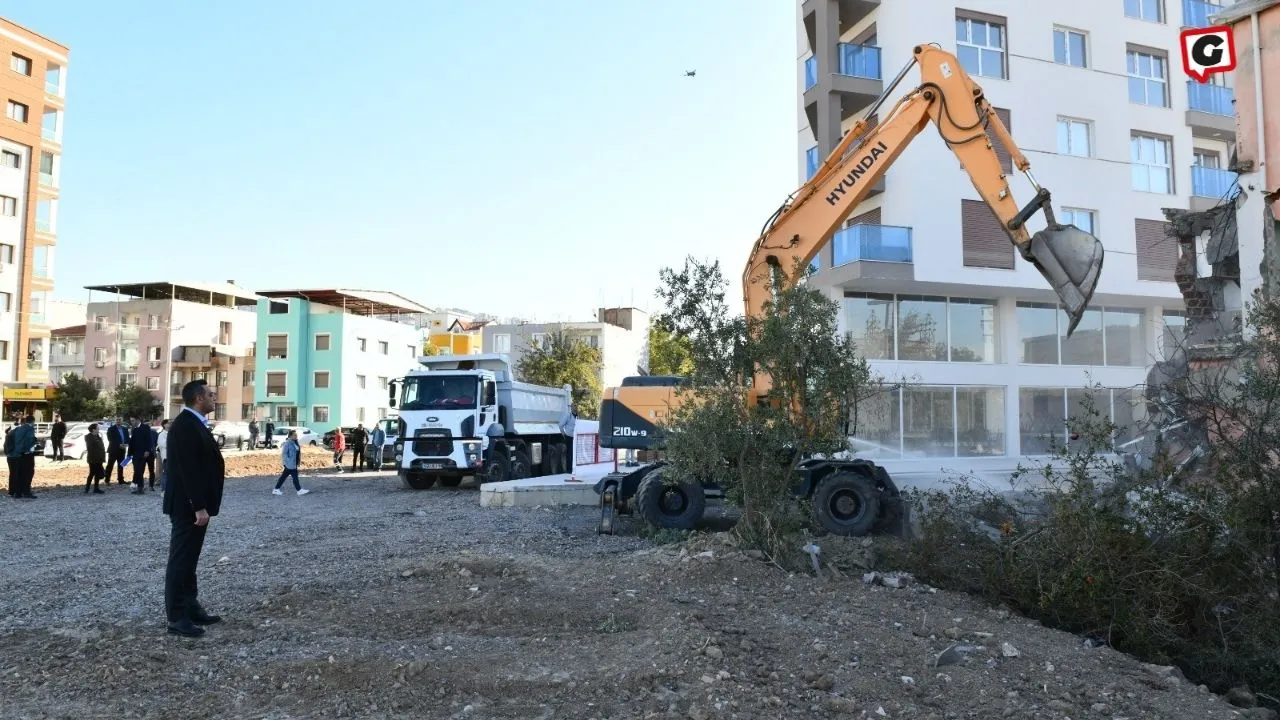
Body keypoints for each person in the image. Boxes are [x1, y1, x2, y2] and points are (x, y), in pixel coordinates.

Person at [162, 379, 226, 638]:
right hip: (188, 507)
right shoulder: (186, 426)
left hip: (195, 507)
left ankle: (191, 606)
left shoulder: (194, 424)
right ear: (199, 398)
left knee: (189, 560)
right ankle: (177, 617)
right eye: (211, 395)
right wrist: (198, 506)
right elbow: (188, 471)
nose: (214, 399)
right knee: (180, 561)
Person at [5, 415, 37, 498]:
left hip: (17, 454)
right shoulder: (29, 429)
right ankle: (26, 492)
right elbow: (29, 441)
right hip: (26, 453)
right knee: (29, 473)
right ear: (33, 421)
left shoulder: (18, 429)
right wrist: (33, 443)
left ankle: (17, 492)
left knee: (19, 474)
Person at [273, 430, 309, 496]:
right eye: (294, 435)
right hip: (290, 464)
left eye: (296, 435)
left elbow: (297, 452)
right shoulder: (287, 443)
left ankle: (276, 489)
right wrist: (287, 462)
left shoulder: (295, 442)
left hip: (293, 463)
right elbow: (284, 454)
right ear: (290, 436)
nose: (296, 436)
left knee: (283, 477)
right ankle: (299, 490)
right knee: (295, 477)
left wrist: (298, 462)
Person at [127, 415, 154, 494]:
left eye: (133, 420)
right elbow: (132, 442)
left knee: (139, 470)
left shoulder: (145, 427)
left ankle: (140, 488)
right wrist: (129, 454)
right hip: (135, 454)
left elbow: (149, 439)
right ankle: (138, 487)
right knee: (137, 470)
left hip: (143, 453)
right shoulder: (134, 429)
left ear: (138, 420)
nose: (132, 422)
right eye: (131, 421)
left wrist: (147, 450)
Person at [105, 418, 129, 485]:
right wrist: (119, 445)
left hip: (122, 450)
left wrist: (127, 443)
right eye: (117, 420)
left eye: (120, 420)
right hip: (113, 450)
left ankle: (121, 480)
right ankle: (107, 480)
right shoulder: (111, 429)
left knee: (121, 465)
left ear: (122, 421)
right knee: (110, 465)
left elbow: (127, 438)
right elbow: (110, 439)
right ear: (115, 421)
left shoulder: (125, 429)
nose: (118, 421)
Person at [83, 423, 106, 494]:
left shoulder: (98, 436)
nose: (99, 429)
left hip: (99, 459)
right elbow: (91, 449)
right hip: (93, 459)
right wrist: (93, 459)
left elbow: (101, 447)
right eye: (97, 428)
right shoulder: (89, 437)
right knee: (94, 473)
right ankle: (92, 488)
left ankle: (90, 488)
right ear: (93, 430)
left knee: (97, 473)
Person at [156, 419, 170, 494]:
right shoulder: (162, 434)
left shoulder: (172, 433)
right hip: (166, 457)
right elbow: (163, 445)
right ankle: (163, 490)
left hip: (173, 457)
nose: (170, 424)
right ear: (164, 425)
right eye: (168, 423)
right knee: (166, 474)